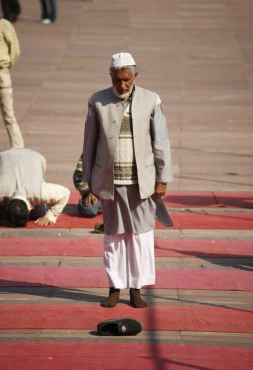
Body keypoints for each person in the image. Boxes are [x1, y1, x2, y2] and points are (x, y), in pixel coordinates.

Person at [83, 52, 173, 308]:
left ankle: (136, 289)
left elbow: (161, 141)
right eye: (117, 80)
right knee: (113, 237)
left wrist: (163, 177)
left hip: (142, 182)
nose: (122, 85)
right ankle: (114, 287)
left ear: (136, 76)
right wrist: (89, 178)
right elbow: (89, 142)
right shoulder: (97, 101)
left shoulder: (151, 100)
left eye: (127, 80)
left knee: (141, 237)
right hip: (110, 181)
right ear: (110, 76)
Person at [0, 148, 70, 227]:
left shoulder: (39, 193)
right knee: (38, 213)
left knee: (38, 213)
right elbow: (65, 193)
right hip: (6, 157)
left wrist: (50, 216)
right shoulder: (2, 192)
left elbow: (65, 193)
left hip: (35, 157)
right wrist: (50, 215)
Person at [0, 16, 24, 148]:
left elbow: (15, 51)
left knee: (9, 115)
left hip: (2, 73)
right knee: (9, 116)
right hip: (3, 72)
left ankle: (18, 148)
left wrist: (6, 66)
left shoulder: (5, 25)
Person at [73, 153, 103, 221]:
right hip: (96, 194)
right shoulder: (90, 151)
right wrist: (90, 191)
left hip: (119, 194)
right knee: (90, 210)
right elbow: (78, 177)